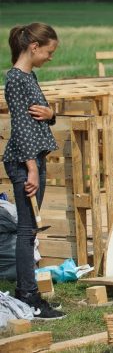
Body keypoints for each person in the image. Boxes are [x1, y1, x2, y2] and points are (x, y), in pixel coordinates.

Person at [3, 23, 65, 319]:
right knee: (28, 232)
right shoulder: (15, 79)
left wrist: (52, 114)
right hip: (24, 162)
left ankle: (30, 293)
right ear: (34, 47)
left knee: (30, 231)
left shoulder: (29, 76)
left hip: (34, 159)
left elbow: (39, 115)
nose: (50, 57)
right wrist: (31, 168)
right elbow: (22, 126)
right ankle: (28, 296)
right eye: (49, 51)